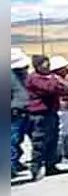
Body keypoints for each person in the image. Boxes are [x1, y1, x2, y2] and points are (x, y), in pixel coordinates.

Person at [26, 54, 68, 181]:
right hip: (39, 114)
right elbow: (50, 88)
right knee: (39, 141)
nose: (49, 68)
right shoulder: (34, 78)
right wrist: (56, 80)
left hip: (51, 112)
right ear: (38, 66)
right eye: (46, 65)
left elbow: (66, 88)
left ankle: (51, 165)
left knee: (52, 140)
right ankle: (36, 168)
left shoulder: (48, 77)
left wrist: (58, 83)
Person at [11, 48, 32, 176]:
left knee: (17, 140)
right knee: (11, 140)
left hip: (25, 111)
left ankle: (15, 163)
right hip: (14, 113)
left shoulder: (22, 75)